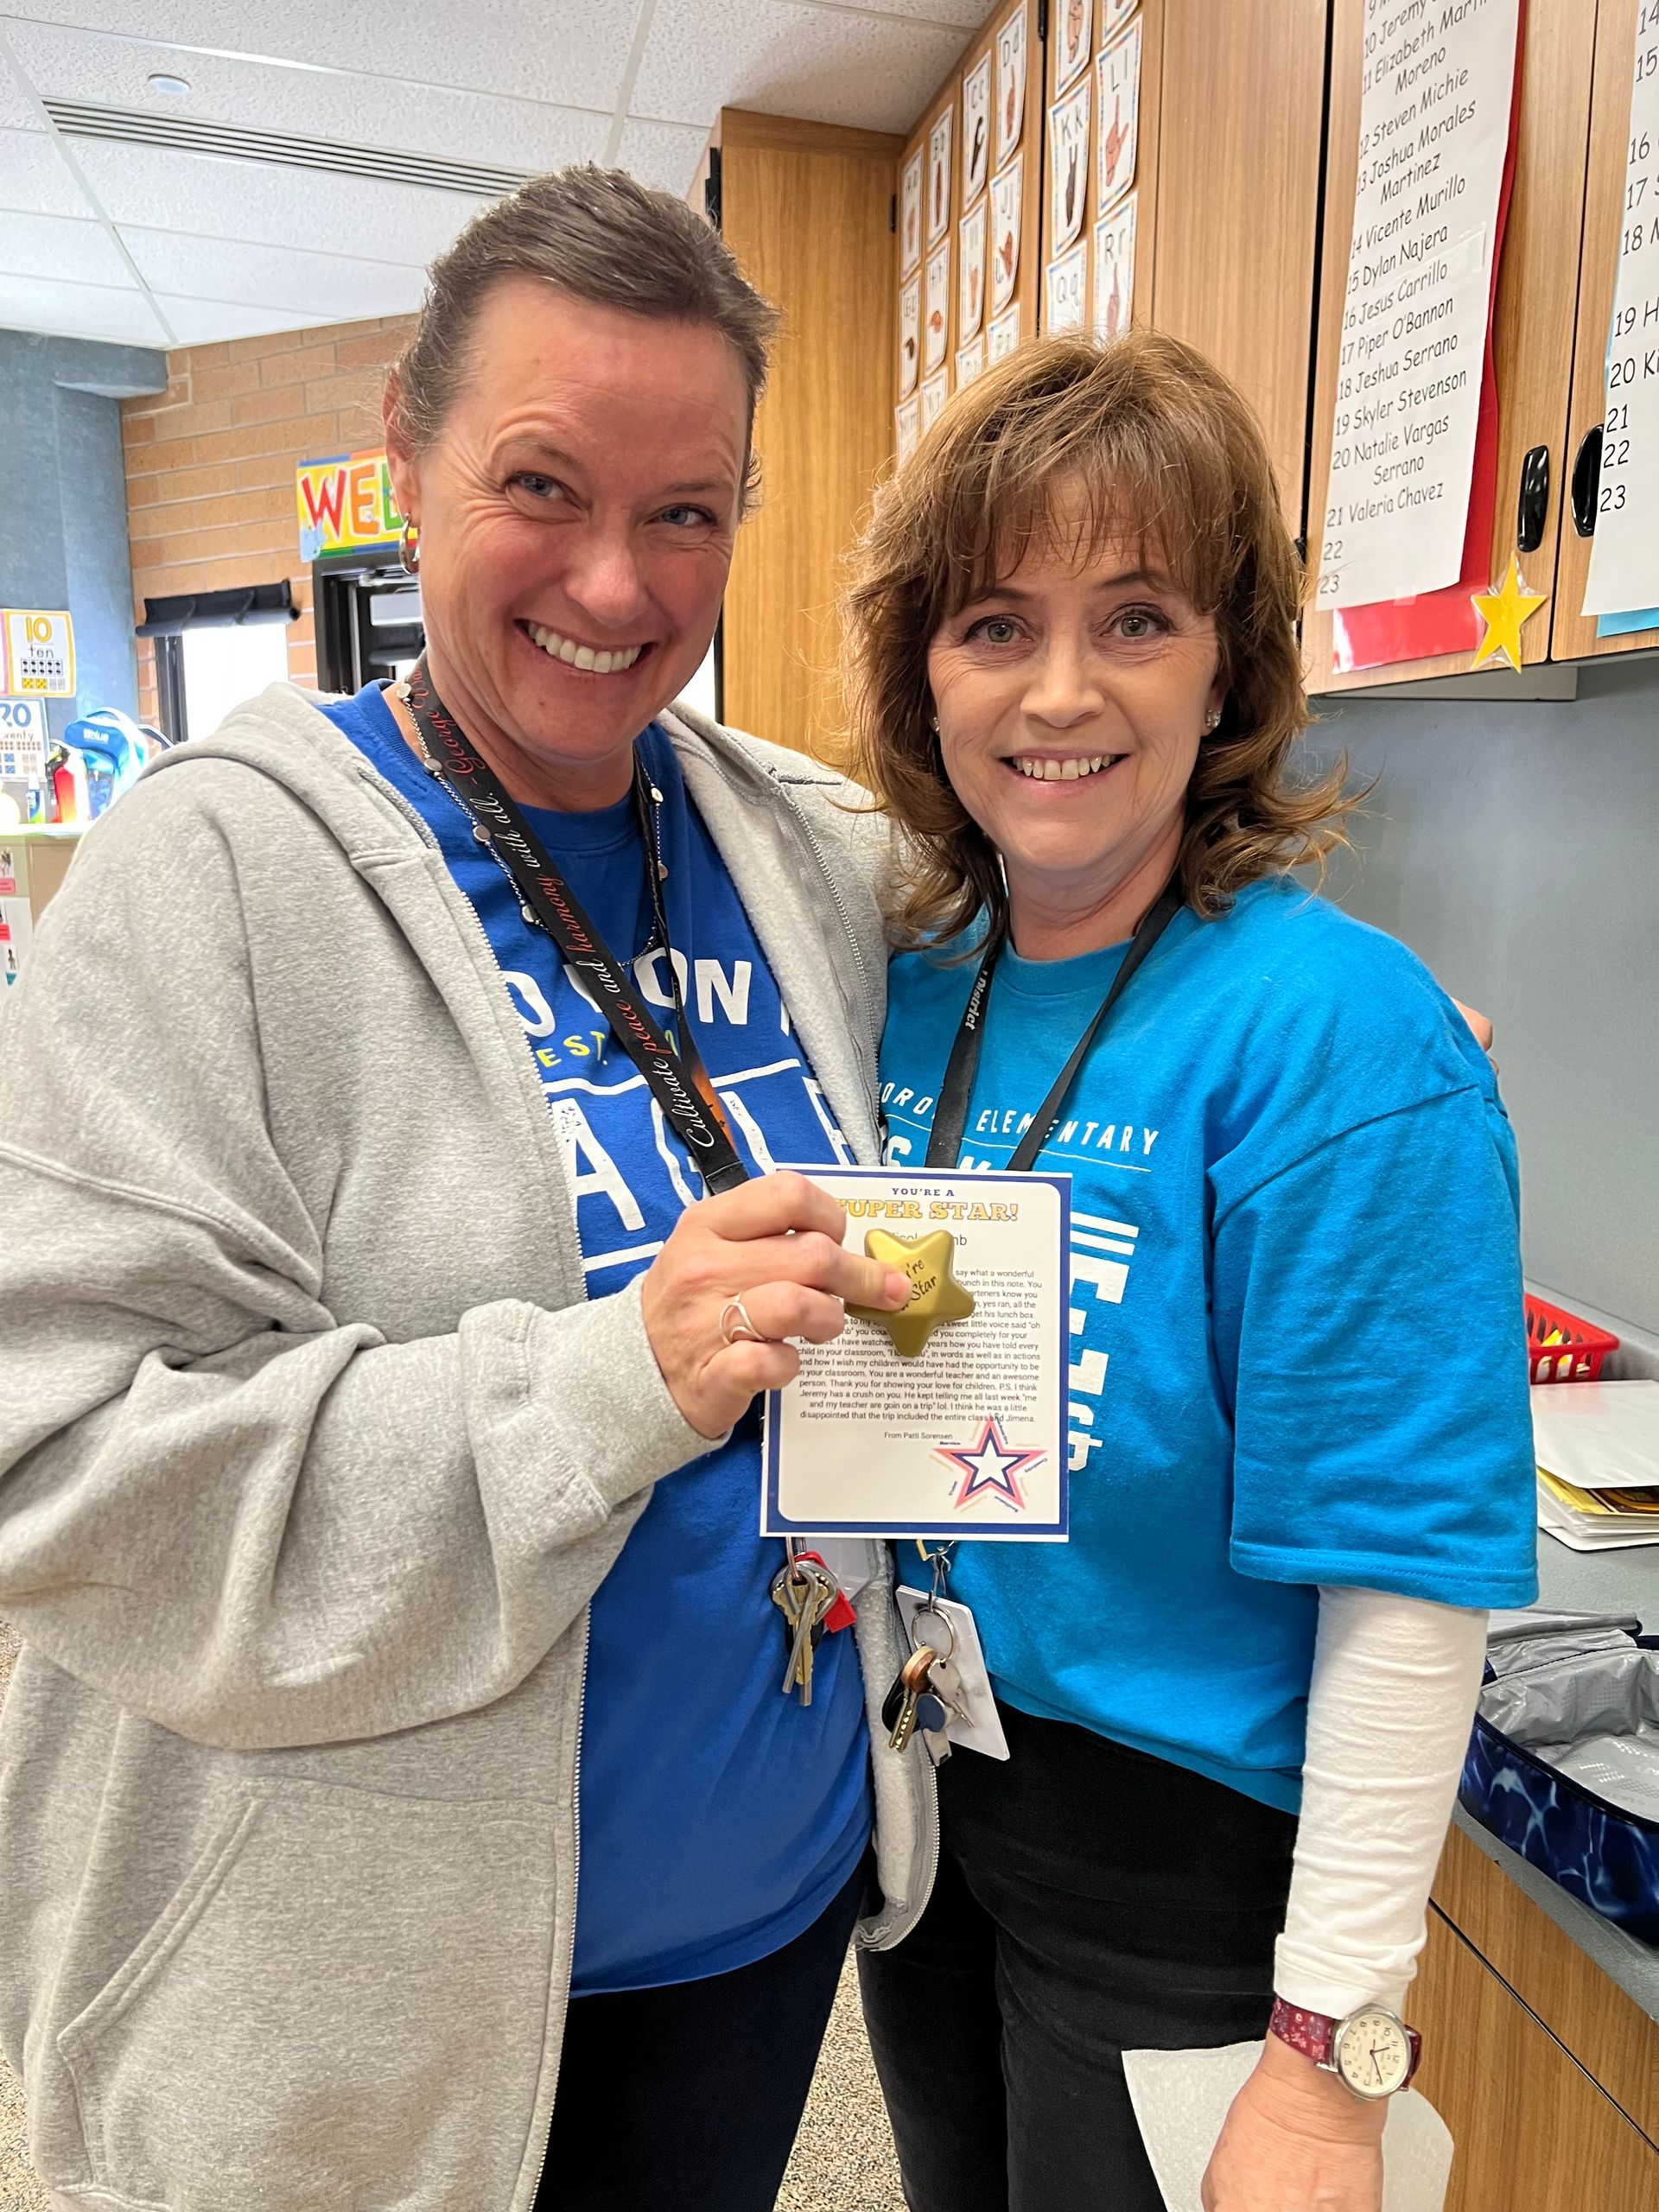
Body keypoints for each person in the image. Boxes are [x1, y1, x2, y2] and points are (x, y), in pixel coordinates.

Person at [0, 166, 932, 2212]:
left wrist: (1319, 1030)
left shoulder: (802, 846)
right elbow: (52, 1464)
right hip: (347, 2021)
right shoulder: (213, 875)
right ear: (403, 465)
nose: (617, 582)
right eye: (544, 484)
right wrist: (614, 1382)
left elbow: (1091, 905)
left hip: (755, 1943)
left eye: (685, 510)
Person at [844, 331, 1538, 2212]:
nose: (1058, 691)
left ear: (1228, 659)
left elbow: (1404, 1583)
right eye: (995, 622)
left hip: (1187, 1863)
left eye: (1136, 616)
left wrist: (1329, 2065)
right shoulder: (907, 976)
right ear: (926, 662)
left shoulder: (1341, 1037)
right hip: (930, 1796)